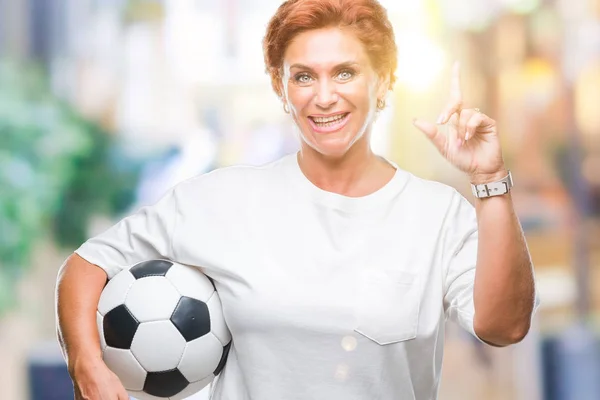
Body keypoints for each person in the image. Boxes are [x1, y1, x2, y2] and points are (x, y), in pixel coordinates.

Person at [55, 0, 539, 399]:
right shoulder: (220, 200)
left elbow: (503, 327)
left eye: (345, 73)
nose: (323, 96)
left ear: (384, 81)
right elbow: (86, 263)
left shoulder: (436, 215)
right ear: (281, 89)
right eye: (303, 77)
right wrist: (87, 364)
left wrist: (490, 177)